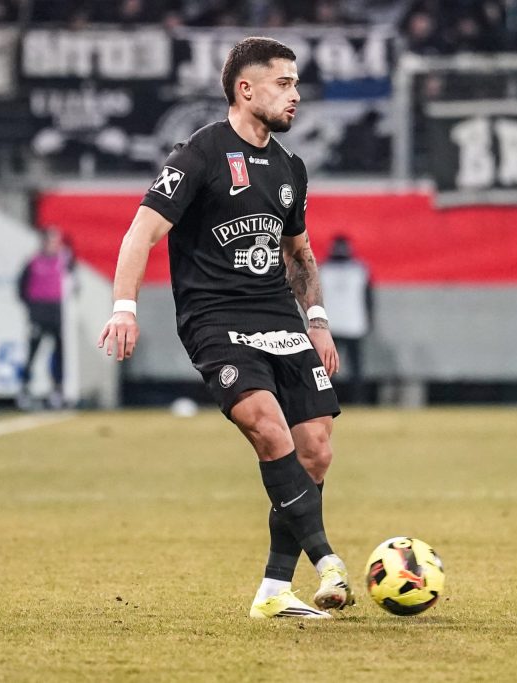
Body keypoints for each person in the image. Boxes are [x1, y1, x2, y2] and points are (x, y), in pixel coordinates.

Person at [97, 37, 354, 619]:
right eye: (283, 84)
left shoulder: (290, 168)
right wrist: (124, 307)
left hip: (278, 318)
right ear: (246, 89)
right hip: (215, 319)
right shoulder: (199, 154)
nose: (295, 95)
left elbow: (299, 253)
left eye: (296, 84)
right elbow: (140, 233)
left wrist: (316, 320)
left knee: (315, 449)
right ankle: (327, 559)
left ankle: (274, 590)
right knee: (268, 427)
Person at [17, 228, 74, 410]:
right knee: (32, 351)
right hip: (38, 311)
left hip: (55, 311)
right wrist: (31, 308)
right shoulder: (33, 261)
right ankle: (25, 388)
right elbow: (21, 286)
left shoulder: (63, 260)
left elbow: (73, 277)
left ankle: (57, 389)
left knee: (59, 353)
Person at [318, 235, 373, 403]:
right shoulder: (360, 269)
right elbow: (368, 299)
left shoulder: (323, 270)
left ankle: (326, 400)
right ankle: (357, 400)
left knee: (329, 367)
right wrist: (369, 320)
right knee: (353, 367)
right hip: (351, 324)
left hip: (333, 325)